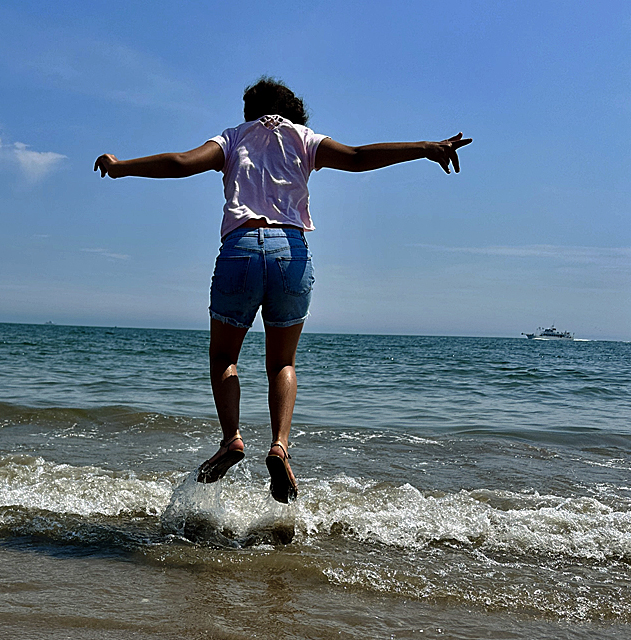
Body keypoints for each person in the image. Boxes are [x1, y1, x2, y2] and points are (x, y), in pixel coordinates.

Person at [94, 77, 471, 503]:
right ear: (292, 107)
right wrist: (425, 147)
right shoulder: (305, 139)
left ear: (250, 108)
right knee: (281, 362)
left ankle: (232, 439)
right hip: (290, 252)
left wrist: (121, 166)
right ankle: (279, 445)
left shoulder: (233, 138)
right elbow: (359, 156)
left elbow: (181, 162)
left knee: (224, 357)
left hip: (240, 250)